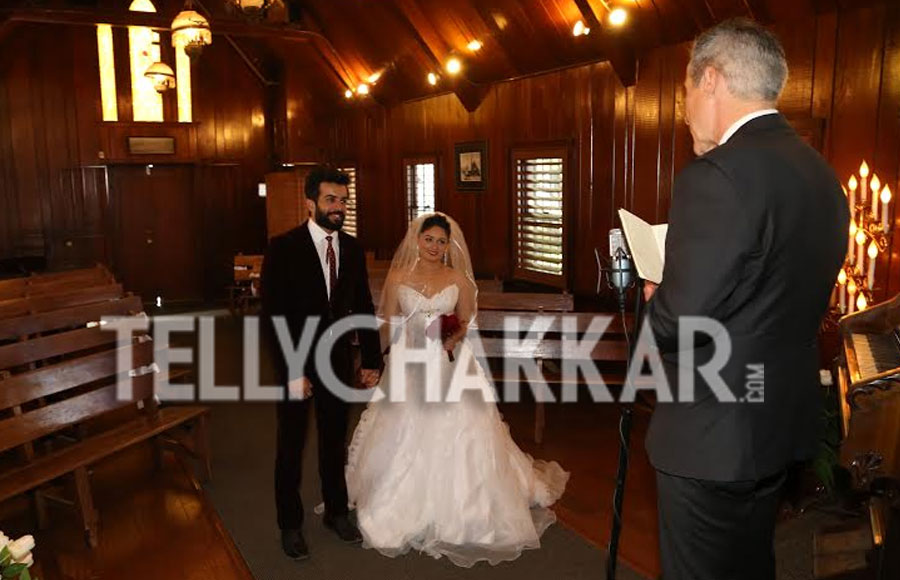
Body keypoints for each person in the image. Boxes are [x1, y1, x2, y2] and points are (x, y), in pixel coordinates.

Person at [641, 19, 849, 580]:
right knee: (750, 564)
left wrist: (654, 299)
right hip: (777, 420)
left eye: (684, 91)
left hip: (712, 435)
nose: (684, 108)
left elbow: (677, 322)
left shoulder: (716, 176)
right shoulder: (822, 178)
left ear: (710, 80)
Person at [345, 212, 569, 567]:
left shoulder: (457, 279)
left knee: (465, 433)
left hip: (450, 364)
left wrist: (451, 334)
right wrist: (372, 360)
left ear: (449, 245)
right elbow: (386, 324)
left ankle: (468, 506)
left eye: (441, 241)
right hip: (408, 364)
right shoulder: (399, 275)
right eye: (428, 239)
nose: (434, 246)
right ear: (417, 240)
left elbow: (466, 321)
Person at [261, 165, 382, 561]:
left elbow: (363, 305)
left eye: (344, 200)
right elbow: (273, 317)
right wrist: (293, 371)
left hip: (337, 363)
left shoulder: (351, 248)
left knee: (334, 441)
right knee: (291, 446)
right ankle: (289, 524)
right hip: (296, 362)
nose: (338, 207)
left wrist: (371, 359)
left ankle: (335, 511)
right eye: (331, 199)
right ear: (310, 201)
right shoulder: (283, 248)